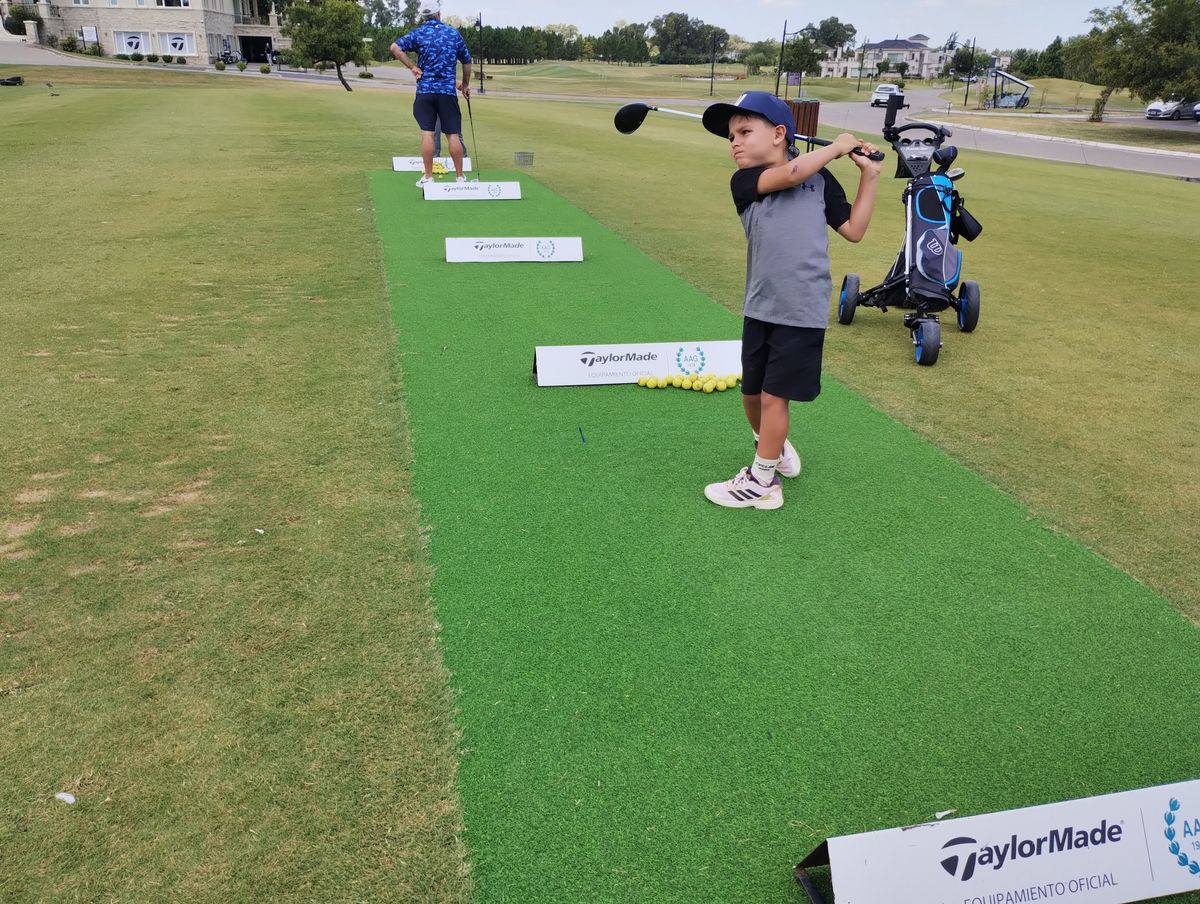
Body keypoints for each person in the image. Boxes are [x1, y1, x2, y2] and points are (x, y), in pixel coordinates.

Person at [699, 92, 882, 510]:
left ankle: (762, 481)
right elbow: (791, 173)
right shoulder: (745, 181)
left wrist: (868, 175)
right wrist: (836, 147)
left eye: (745, 132)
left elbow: (853, 229)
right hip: (760, 304)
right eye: (731, 136)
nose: (735, 143)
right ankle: (774, 452)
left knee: (772, 396)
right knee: (751, 393)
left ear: (780, 133)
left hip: (802, 307)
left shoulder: (821, 182)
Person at [391, 0, 472, 187]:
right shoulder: (453, 33)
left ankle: (428, 177)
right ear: (439, 14)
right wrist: (465, 85)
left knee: (427, 134)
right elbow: (467, 61)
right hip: (447, 92)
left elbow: (395, 48)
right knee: (453, 134)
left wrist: (412, 66)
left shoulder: (419, 33)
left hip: (425, 91)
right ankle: (460, 177)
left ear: (423, 17)